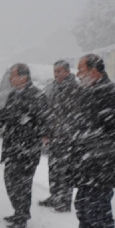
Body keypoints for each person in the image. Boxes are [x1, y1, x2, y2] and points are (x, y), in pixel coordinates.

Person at [58, 54, 115, 228]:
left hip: (102, 166)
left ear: (95, 71)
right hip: (86, 164)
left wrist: (86, 142)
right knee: (83, 207)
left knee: (100, 212)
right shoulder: (87, 92)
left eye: (81, 71)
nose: (78, 76)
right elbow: (79, 124)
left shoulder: (112, 94)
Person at [0, 64, 49, 228]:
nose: (10, 79)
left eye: (12, 76)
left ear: (23, 77)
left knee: (23, 184)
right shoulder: (14, 95)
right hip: (13, 146)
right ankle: (18, 211)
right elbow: (4, 114)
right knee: (10, 180)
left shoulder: (37, 96)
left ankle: (22, 216)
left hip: (28, 148)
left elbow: (45, 120)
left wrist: (43, 134)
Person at [38, 60, 80, 212]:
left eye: (60, 71)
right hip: (54, 135)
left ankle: (64, 201)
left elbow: (74, 114)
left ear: (67, 72)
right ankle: (54, 196)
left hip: (67, 137)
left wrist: (69, 132)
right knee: (53, 167)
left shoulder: (73, 88)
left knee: (65, 170)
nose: (56, 74)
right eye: (55, 71)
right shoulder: (54, 88)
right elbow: (49, 113)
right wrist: (45, 132)